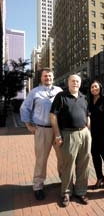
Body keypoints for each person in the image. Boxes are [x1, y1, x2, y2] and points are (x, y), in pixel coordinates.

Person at [20, 67, 63, 200]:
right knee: (41, 160)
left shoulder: (59, 91)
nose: (48, 78)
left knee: (63, 158)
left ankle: (65, 182)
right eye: (45, 76)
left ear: (53, 77)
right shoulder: (35, 92)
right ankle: (38, 186)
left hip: (58, 130)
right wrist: (28, 125)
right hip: (42, 130)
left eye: (50, 76)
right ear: (41, 78)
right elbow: (24, 107)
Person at [50, 74, 91, 207]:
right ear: (68, 83)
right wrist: (57, 135)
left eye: (77, 81)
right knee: (68, 164)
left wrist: (87, 130)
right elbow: (53, 116)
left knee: (84, 164)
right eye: (72, 81)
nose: (75, 83)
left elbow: (87, 115)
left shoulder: (83, 97)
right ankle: (66, 192)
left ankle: (80, 191)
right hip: (68, 134)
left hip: (84, 133)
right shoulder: (61, 97)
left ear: (80, 83)